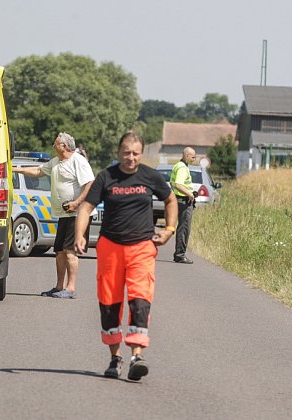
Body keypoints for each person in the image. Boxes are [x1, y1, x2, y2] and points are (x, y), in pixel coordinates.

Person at [74, 132, 177, 381]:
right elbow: (86, 208)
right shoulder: (106, 177)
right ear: (119, 152)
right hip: (110, 247)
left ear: (141, 153)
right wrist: (79, 235)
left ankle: (137, 355)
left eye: (135, 153)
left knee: (140, 300)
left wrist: (169, 230)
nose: (131, 158)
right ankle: (115, 357)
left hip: (142, 247)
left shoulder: (150, 176)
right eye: (126, 152)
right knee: (109, 303)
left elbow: (171, 200)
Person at [13, 132, 95, 299]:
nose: (53, 146)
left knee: (70, 250)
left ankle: (70, 288)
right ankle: (59, 287)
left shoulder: (78, 161)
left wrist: (76, 203)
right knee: (59, 251)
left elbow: (89, 183)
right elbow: (37, 171)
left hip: (78, 214)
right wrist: (14, 169)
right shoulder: (56, 162)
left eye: (56, 143)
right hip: (64, 214)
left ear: (64, 146)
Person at [170, 147, 196, 264]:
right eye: (193, 157)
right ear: (186, 156)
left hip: (179, 199)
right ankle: (180, 255)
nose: (194, 159)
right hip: (184, 201)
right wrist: (190, 194)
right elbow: (178, 184)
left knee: (182, 227)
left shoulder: (179, 165)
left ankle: (179, 254)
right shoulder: (182, 168)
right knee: (184, 228)